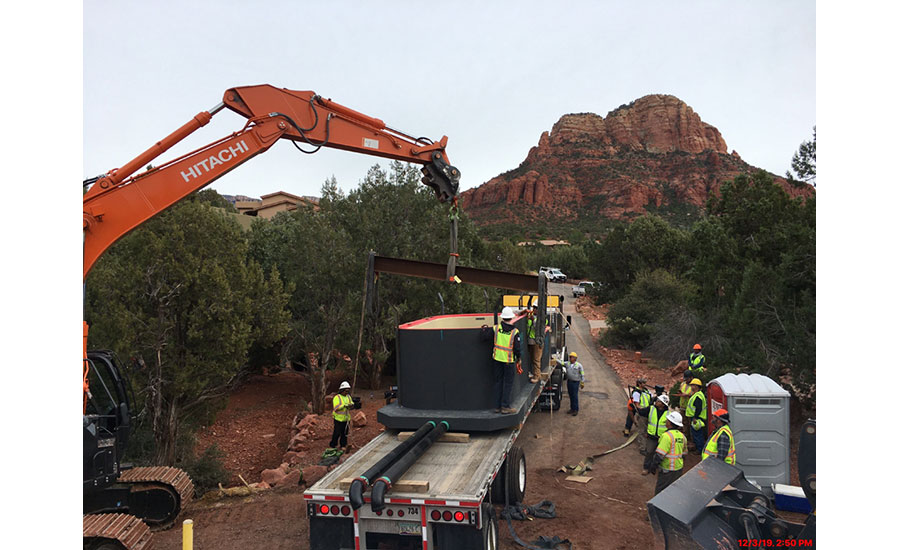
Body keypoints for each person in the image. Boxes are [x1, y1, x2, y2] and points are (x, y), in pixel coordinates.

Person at [481, 306, 521, 414]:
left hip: (497, 360)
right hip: (508, 361)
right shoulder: (515, 332)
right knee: (508, 384)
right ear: (511, 318)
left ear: (502, 318)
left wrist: (484, 328)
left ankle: (497, 406)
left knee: (498, 382)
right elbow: (517, 348)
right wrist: (519, 359)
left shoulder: (496, 328)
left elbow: (484, 337)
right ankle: (505, 406)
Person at [648, 411, 687, 495]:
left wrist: (653, 466)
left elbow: (659, 455)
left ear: (670, 423)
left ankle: (657, 508)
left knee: (660, 492)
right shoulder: (682, 436)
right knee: (673, 492)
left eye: (667, 420)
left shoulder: (667, 436)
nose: (666, 421)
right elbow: (684, 454)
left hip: (667, 469)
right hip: (678, 469)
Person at [642, 394, 670, 475]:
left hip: (662, 438)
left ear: (663, 404)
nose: (656, 402)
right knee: (649, 452)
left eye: (658, 401)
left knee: (660, 454)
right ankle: (646, 468)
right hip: (652, 436)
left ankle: (656, 467)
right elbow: (641, 412)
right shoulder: (651, 409)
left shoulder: (668, 413)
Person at [524, 306, 550, 383]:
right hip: (530, 340)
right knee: (531, 358)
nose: (534, 309)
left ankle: (537, 376)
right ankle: (533, 373)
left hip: (537, 341)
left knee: (536, 359)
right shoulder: (530, 316)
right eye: (534, 308)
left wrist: (533, 320)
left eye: (536, 308)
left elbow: (539, 328)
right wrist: (524, 312)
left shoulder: (543, 319)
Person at [624, 378, 652, 442]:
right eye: (643, 383)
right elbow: (637, 404)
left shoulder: (647, 391)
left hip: (645, 408)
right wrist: (642, 409)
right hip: (637, 407)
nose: (645, 384)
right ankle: (627, 429)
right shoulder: (636, 392)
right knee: (630, 416)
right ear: (639, 384)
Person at [684, 378, 708, 453]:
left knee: (697, 434)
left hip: (697, 418)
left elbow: (698, 408)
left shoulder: (698, 396)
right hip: (696, 417)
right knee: (696, 434)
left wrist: (695, 417)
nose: (692, 387)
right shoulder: (697, 395)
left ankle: (699, 449)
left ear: (697, 386)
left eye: (693, 385)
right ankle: (698, 447)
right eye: (691, 385)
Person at [329, 381, 354, 450]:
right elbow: (336, 408)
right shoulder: (337, 397)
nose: (347, 392)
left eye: (348, 391)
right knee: (337, 433)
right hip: (338, 419)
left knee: (345, 433)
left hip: (346, 418)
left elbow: (351, 402)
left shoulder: (348, 397)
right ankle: (333, 445)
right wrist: (344, 406)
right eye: (346, 391)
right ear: (342, 390)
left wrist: (351, 405)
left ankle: (343, 445)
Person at [563, 351, 585, 416]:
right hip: (569, 382)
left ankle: (575, 410)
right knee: (571, 395)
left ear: (575, 358)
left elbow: (582, 374)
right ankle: (572, 409)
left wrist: (582, 382)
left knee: (574, 396)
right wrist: (555, 359)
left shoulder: (579, 365)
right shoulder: (567, 364)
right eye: (570, 357)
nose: (570, 358)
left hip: (575, 383)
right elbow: (561, 363)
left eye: (572, 357)